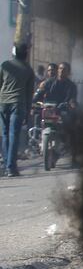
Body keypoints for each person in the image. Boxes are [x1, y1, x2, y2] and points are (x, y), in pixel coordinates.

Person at [0, 44, 34, 177]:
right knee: (14, 134)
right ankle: (11, 167)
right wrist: (28, 111)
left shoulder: (5, 65)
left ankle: (6, 165)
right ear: (25, 54)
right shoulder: (28, 70)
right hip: (18, 104)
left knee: (5, 133)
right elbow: (29, 93)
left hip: (3, 102)